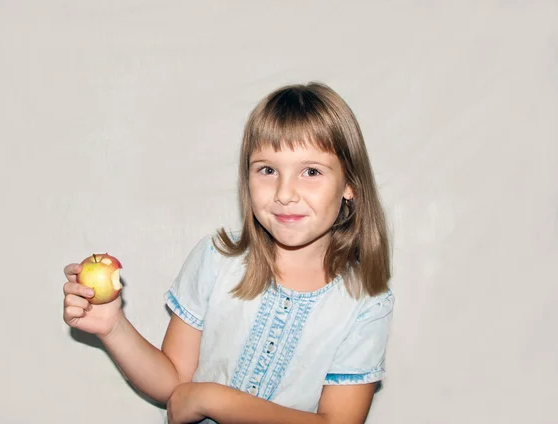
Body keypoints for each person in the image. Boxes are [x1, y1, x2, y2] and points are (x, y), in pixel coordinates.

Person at [62, 82, 395, 424]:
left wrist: (214, 399)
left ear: (350, 184)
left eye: (310, 171)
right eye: (267, 170)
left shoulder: (366, 302)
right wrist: (113, 326)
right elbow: (175, 384)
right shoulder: (216, 259)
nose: (284, 192)